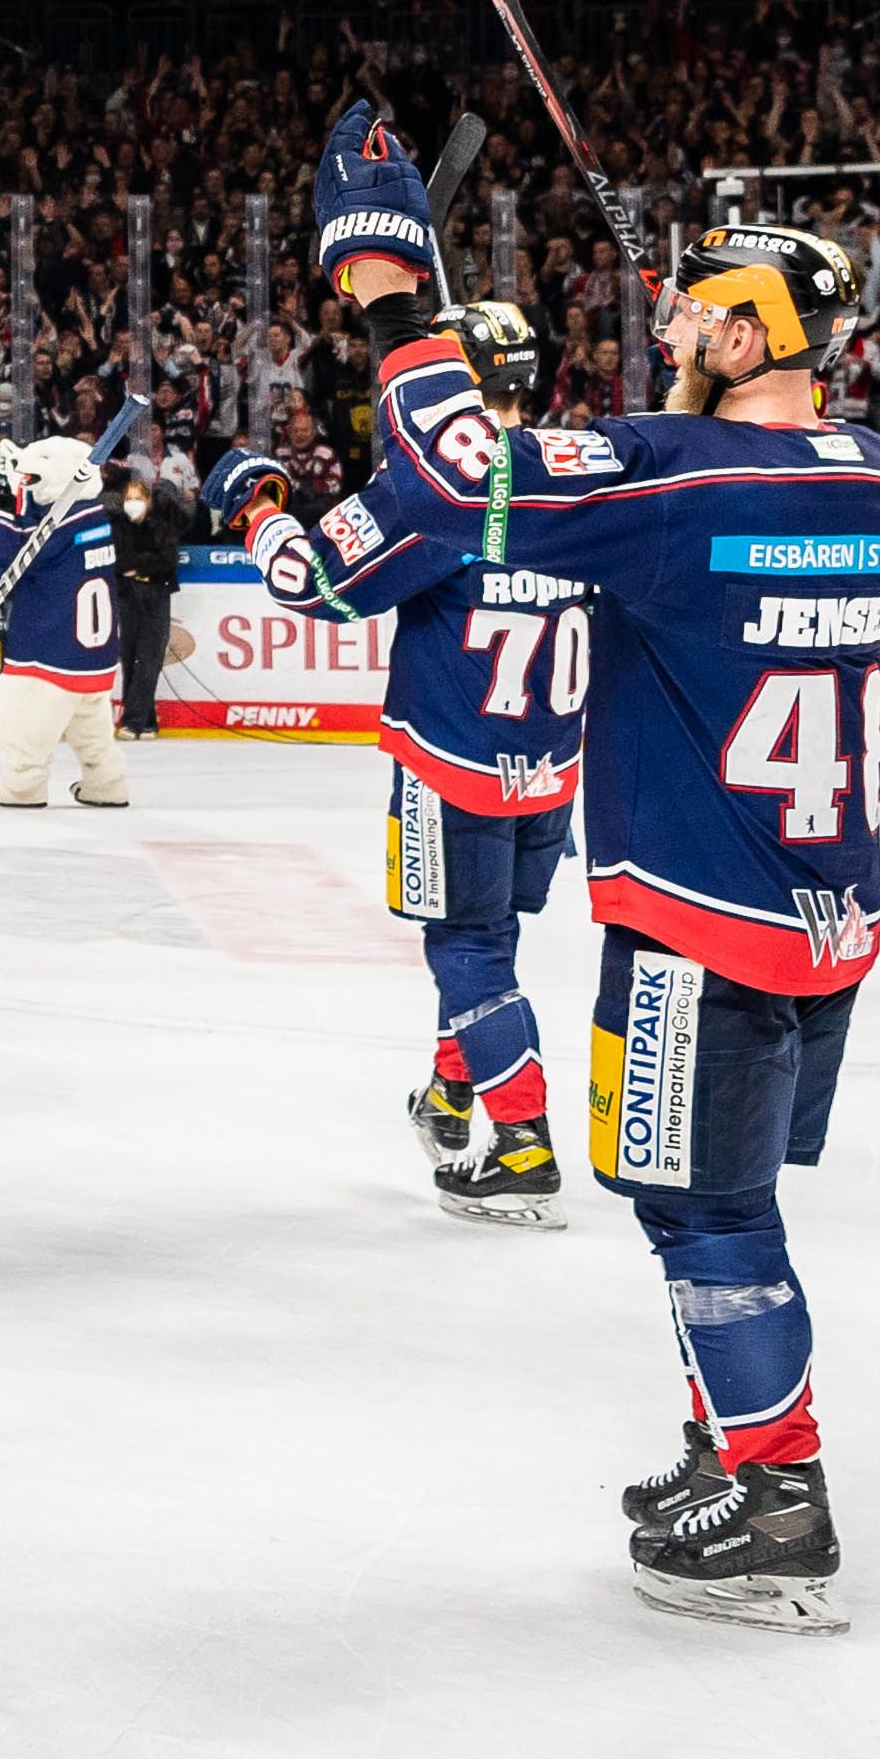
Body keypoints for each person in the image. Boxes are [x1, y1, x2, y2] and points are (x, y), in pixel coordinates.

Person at [311, 106, 880, 1630]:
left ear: (764, 328)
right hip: (824, 908)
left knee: (696, 1211)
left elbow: (461, 476)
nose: (681, 315)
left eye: (710, 303)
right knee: (733, 1197)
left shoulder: (673, 476)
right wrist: (694, 345)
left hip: (697, 917)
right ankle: (730, 1442)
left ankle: (779, 1489)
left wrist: (392, 288)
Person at [209, 297, 592, 1225]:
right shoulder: (581, 478)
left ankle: (522, 1142)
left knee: (464, 948)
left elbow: (311, 587)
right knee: (488, 942)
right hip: (549, 769)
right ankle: (454, 1093)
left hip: (451, 764)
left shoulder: (433, 494)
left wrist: (258, 510)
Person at [0, 433, 129, 807]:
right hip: (93, 660)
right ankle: (107, 784)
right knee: (92, 732)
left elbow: (21, 542)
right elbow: (41, 521)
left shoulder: (60, 528)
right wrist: (19, 480)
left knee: (24, 729)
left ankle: (21, 788)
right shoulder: (91, 517)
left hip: (48, 655)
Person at [105, 456, 194, 736]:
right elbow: (118, 560)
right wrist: (139, 563)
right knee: (130, 658)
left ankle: (132, 721)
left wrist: (139, 564)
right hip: (128, 595)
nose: (132, 502)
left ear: (148, 500)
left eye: (137, 497)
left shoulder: (161, 525)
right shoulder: (119, 525)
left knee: (149, 659)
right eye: (128, 497)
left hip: (156, 594)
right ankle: (147, 720)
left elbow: (166, 561)